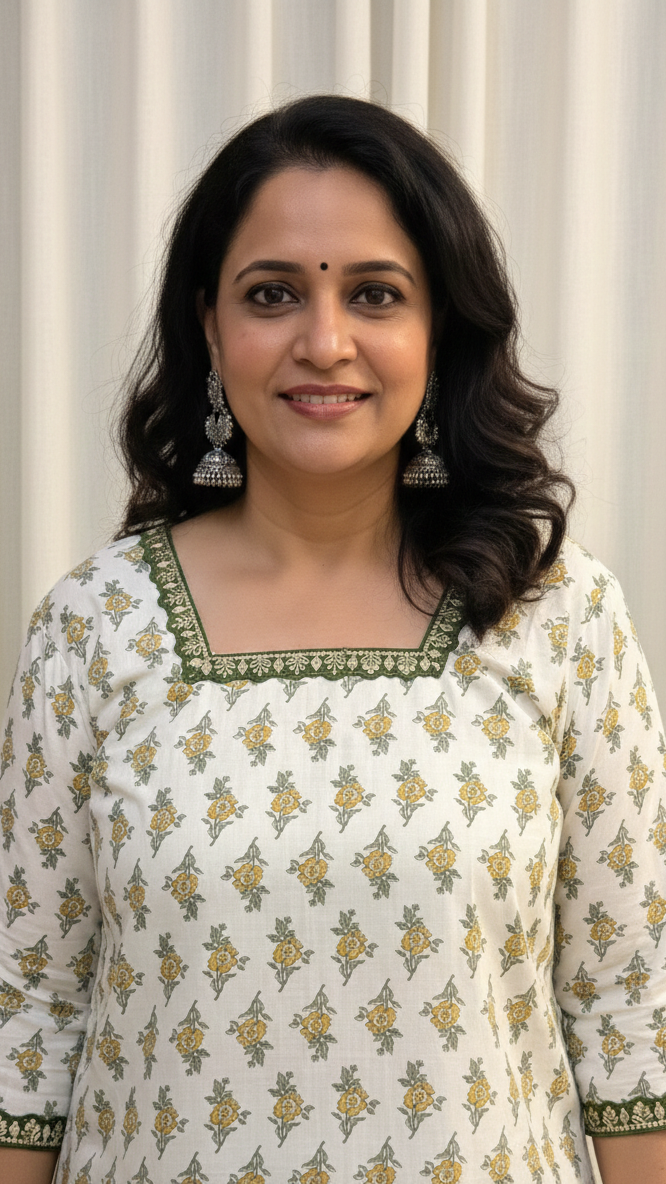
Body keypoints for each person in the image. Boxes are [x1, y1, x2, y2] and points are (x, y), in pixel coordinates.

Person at [0, 95, 664, 1184]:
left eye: (375, 294)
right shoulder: (92, 627)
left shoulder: (558, 615)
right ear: (210, 326)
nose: (325, 341)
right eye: (272, 295)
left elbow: (631, 1007)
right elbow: (30, 1020)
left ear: (436, 326)